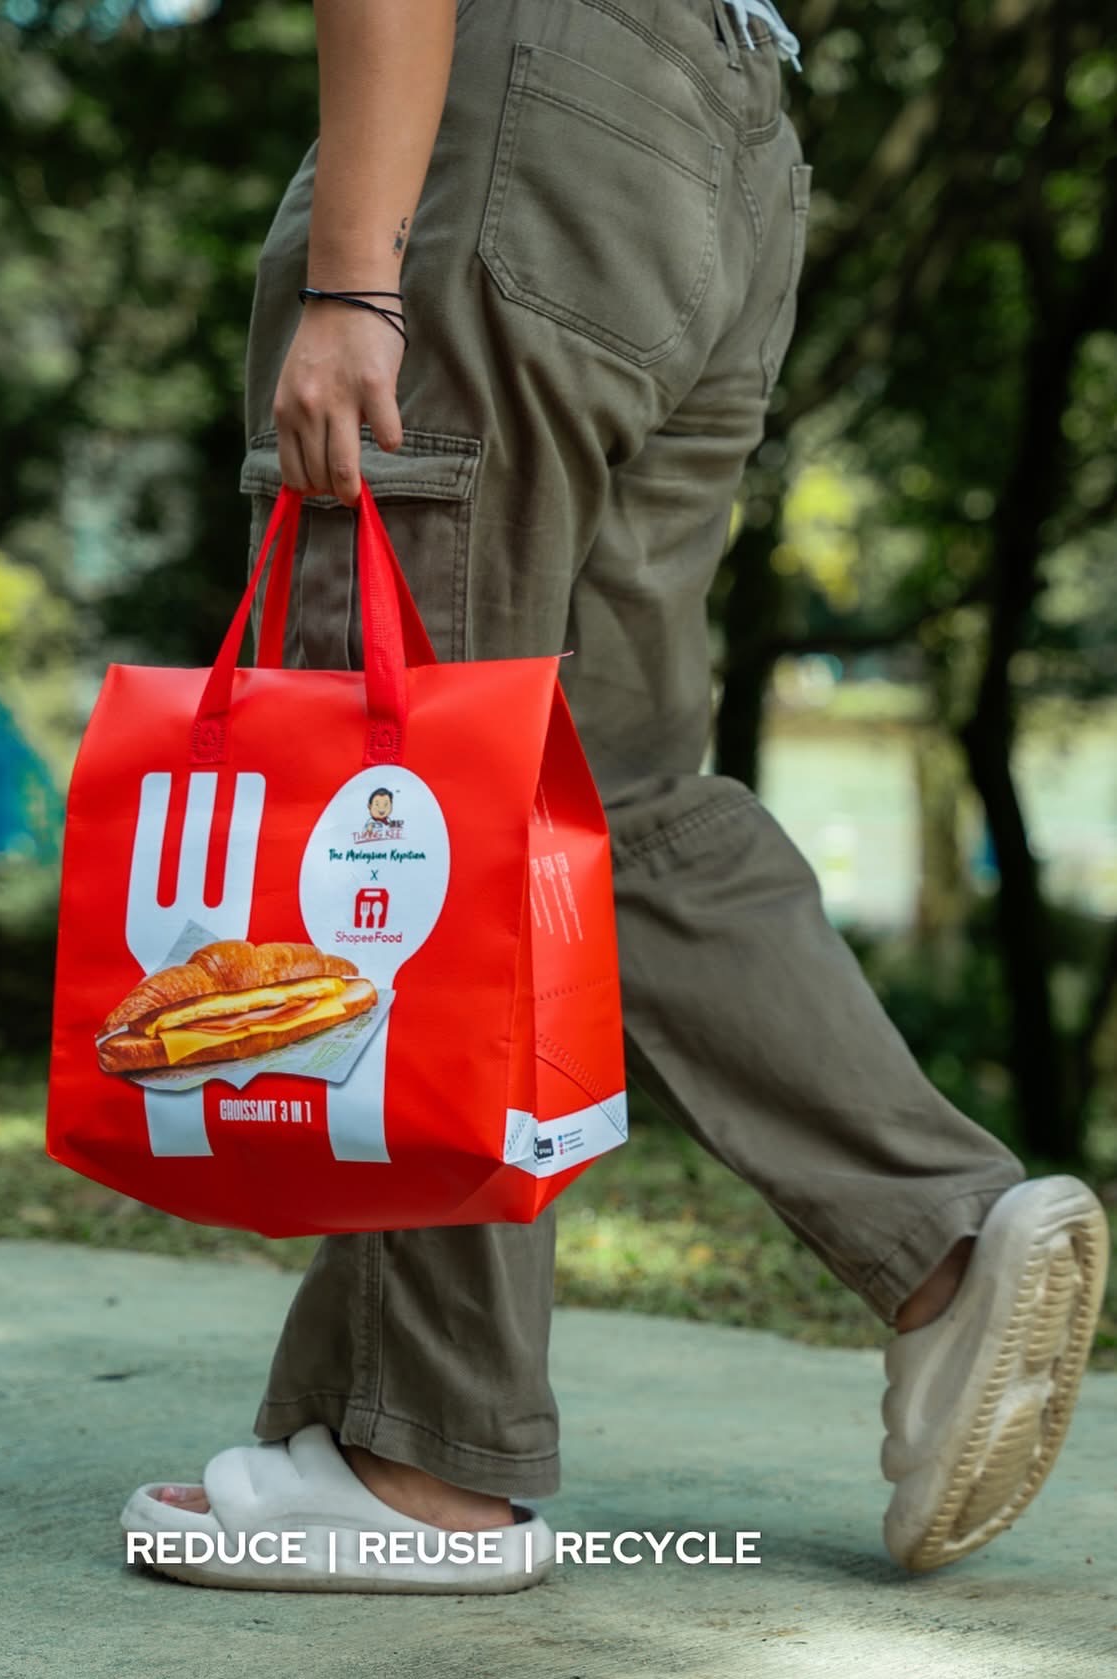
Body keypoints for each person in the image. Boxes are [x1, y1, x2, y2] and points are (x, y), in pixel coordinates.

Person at [120, 0, 1109, 1590]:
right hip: (722, 137)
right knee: (612, 795)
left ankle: (427, 1463)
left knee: (409, 804)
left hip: (510, 132)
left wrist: (354, 280)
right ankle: (941, 1235)